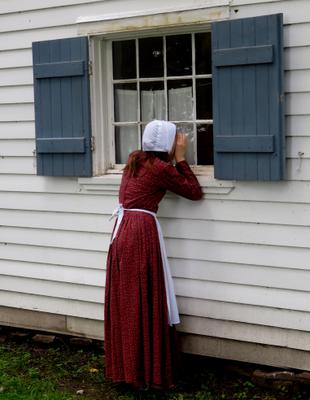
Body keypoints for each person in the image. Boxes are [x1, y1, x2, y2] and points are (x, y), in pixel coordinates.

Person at [104, 120, 203, 390]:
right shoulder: (159, 168)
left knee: (129, 300)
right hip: (138, 233)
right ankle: (144, 373)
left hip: (122, 231)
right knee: (141, 299)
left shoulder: (136, 160)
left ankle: (126, 369)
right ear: (168, 145)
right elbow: (194, 192)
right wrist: (181, 160)